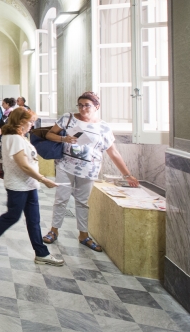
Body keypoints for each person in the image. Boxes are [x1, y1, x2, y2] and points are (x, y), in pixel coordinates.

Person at [42, 91, 139, 251]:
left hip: (89, 170)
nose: (82, 108)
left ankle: (83, 235)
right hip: (65, 166)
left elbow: (113, 152)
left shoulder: (103, 127)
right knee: (61, 199)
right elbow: (49, 134)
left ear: (96, 107)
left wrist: (127, 175)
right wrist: (64, 138)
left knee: (82, 202)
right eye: (80, 105)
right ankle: (54, 231)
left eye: (87, 105)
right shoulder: (68, 118)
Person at [0, 108, 64, 266]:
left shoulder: (20, 137)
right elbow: (23, 165)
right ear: (21, 122)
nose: (32, 125)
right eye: (30, 121)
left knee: (34, 220)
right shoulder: (14, 138)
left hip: (29, 185)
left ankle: (41, 253)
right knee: (12, 216)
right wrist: (43, 179)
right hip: (18, 185)